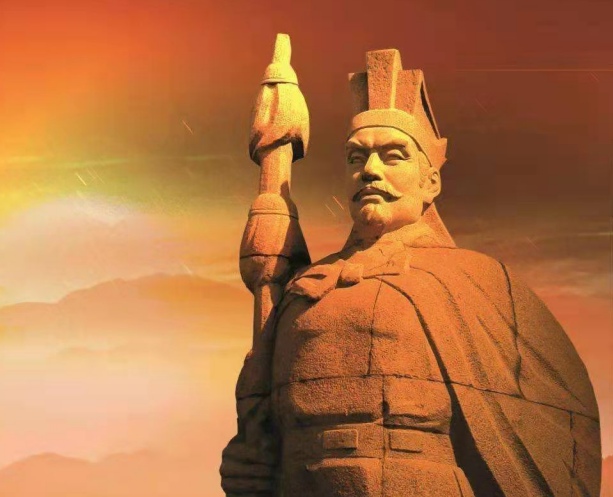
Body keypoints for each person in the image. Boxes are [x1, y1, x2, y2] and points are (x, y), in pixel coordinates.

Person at [221, 48, 601, 497]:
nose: (369, 171)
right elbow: (263, 419)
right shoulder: (302, 290)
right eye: (355, 158)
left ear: (430, 182)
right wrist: (248, 463)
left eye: (393, 156)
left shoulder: (477, 282)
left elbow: (556, 425)